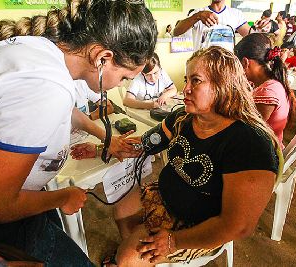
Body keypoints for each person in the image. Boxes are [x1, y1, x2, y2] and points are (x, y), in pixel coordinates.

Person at [0, 1, 157, 266]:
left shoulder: (42, 54)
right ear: (103, 58)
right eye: (125, 77)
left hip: (18, 198)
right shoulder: (44, 87)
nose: (122, 84)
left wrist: (107, 139)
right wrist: (62, 197)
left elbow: (66, 110)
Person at [74, 46, 279, 266]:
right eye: (186, 79)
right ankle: (142, 257)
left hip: (199, 223)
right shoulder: (183, 118)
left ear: (224, 85)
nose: (185, 88)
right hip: (166, 194)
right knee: (121, 211)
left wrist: (173, 241)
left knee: (126, 257)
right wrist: (100, 148)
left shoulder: (249, 143)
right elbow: (144, 144)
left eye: (196, 81)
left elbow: (238, 225)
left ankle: (133, 258)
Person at [235, 33, 296, 148]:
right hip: (269, 145)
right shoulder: (272, 83)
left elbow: (248, 133)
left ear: (244, 63)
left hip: (265, 155)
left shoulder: (266, 92)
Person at [173, 0, 250, 51]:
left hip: (226, 67)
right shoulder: (198, 12)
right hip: (203, 67)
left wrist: (260, 28)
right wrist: (198, 16)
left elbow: (251, 36)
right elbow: (176, 32)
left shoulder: (236, 14)